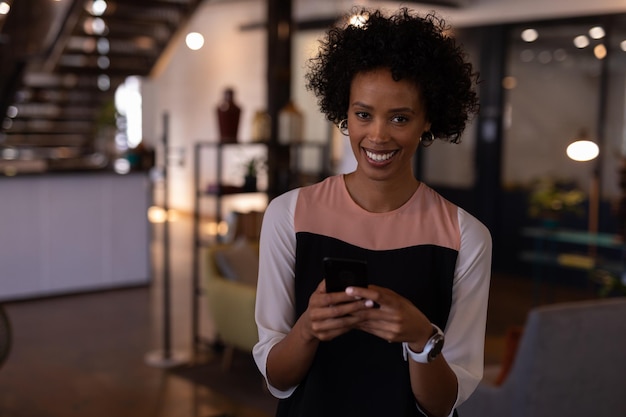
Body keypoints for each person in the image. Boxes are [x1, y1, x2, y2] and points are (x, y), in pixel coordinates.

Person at [253, 7, 491, 417]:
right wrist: (308, 328)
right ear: (343, 113)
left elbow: (442, 405)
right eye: (363, 114)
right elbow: (277, 379)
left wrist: (421, 339)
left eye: (400, 117)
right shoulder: (289, 215)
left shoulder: (464, 237)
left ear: (427, 120)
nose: (377, 135)